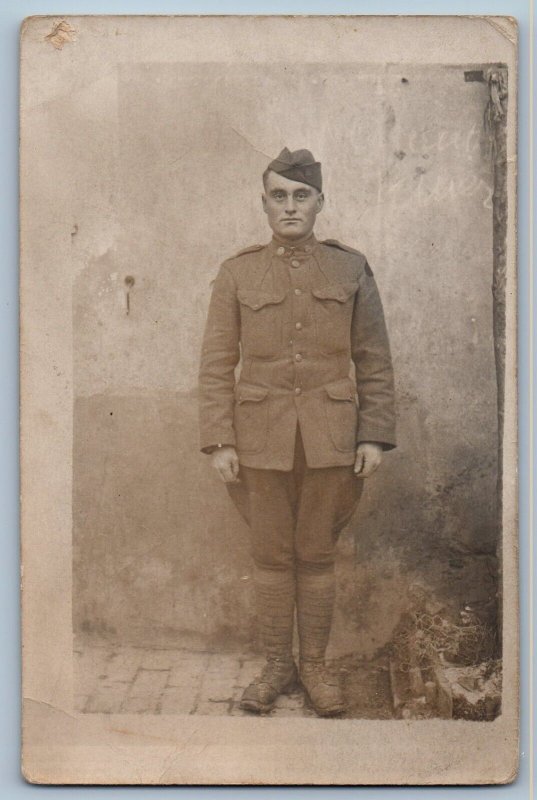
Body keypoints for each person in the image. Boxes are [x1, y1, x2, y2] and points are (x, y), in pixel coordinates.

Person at [198, 147, 396, 716]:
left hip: (332, 439)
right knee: (269, 556)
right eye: (279, 196)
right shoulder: (237, 272)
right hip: (259, 440)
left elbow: (374, 358)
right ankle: (276, 667)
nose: (290, 207)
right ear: (264, 205)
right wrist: (221, 440)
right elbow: (216, 361)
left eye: (301, 195)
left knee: (316, 555)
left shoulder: (349, 269)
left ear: (319, 203)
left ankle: (315, 667)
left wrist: (373, 435)